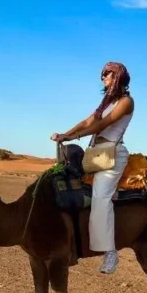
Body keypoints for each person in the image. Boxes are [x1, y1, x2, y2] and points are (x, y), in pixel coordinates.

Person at [51, 62, 134, 274]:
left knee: (100, 197)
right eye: (103, 75)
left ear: (118, 77)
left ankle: (110, 253)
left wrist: (74, 137)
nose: (103, 78)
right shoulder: (105, 103)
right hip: (95, 155)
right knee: (65, 184)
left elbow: (101, 125)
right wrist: (65, 134)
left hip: (112, 154)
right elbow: (87, 121)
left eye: (107, 74)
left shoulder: (126, 102)